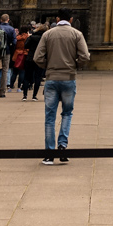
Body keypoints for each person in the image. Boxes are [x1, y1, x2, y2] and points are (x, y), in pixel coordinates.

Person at [34, 12, 92, 164]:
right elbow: (85, 56)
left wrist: (49, 67)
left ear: (57, 19)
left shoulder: (48, 34)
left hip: (52, 79)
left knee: (50, 118)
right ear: (71, 19)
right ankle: (62, 147)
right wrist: (73, 65)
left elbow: (37, 58)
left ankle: (49, 154)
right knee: (67, 113)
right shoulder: (76, 34)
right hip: (68, 79)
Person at [0, 14, 18, 95]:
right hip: (7, 51)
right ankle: (2, 91)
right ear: (8, 20)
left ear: (1, 20)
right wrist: (11, 50)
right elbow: (14, 42)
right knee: (5, 70)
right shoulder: (11, 29)